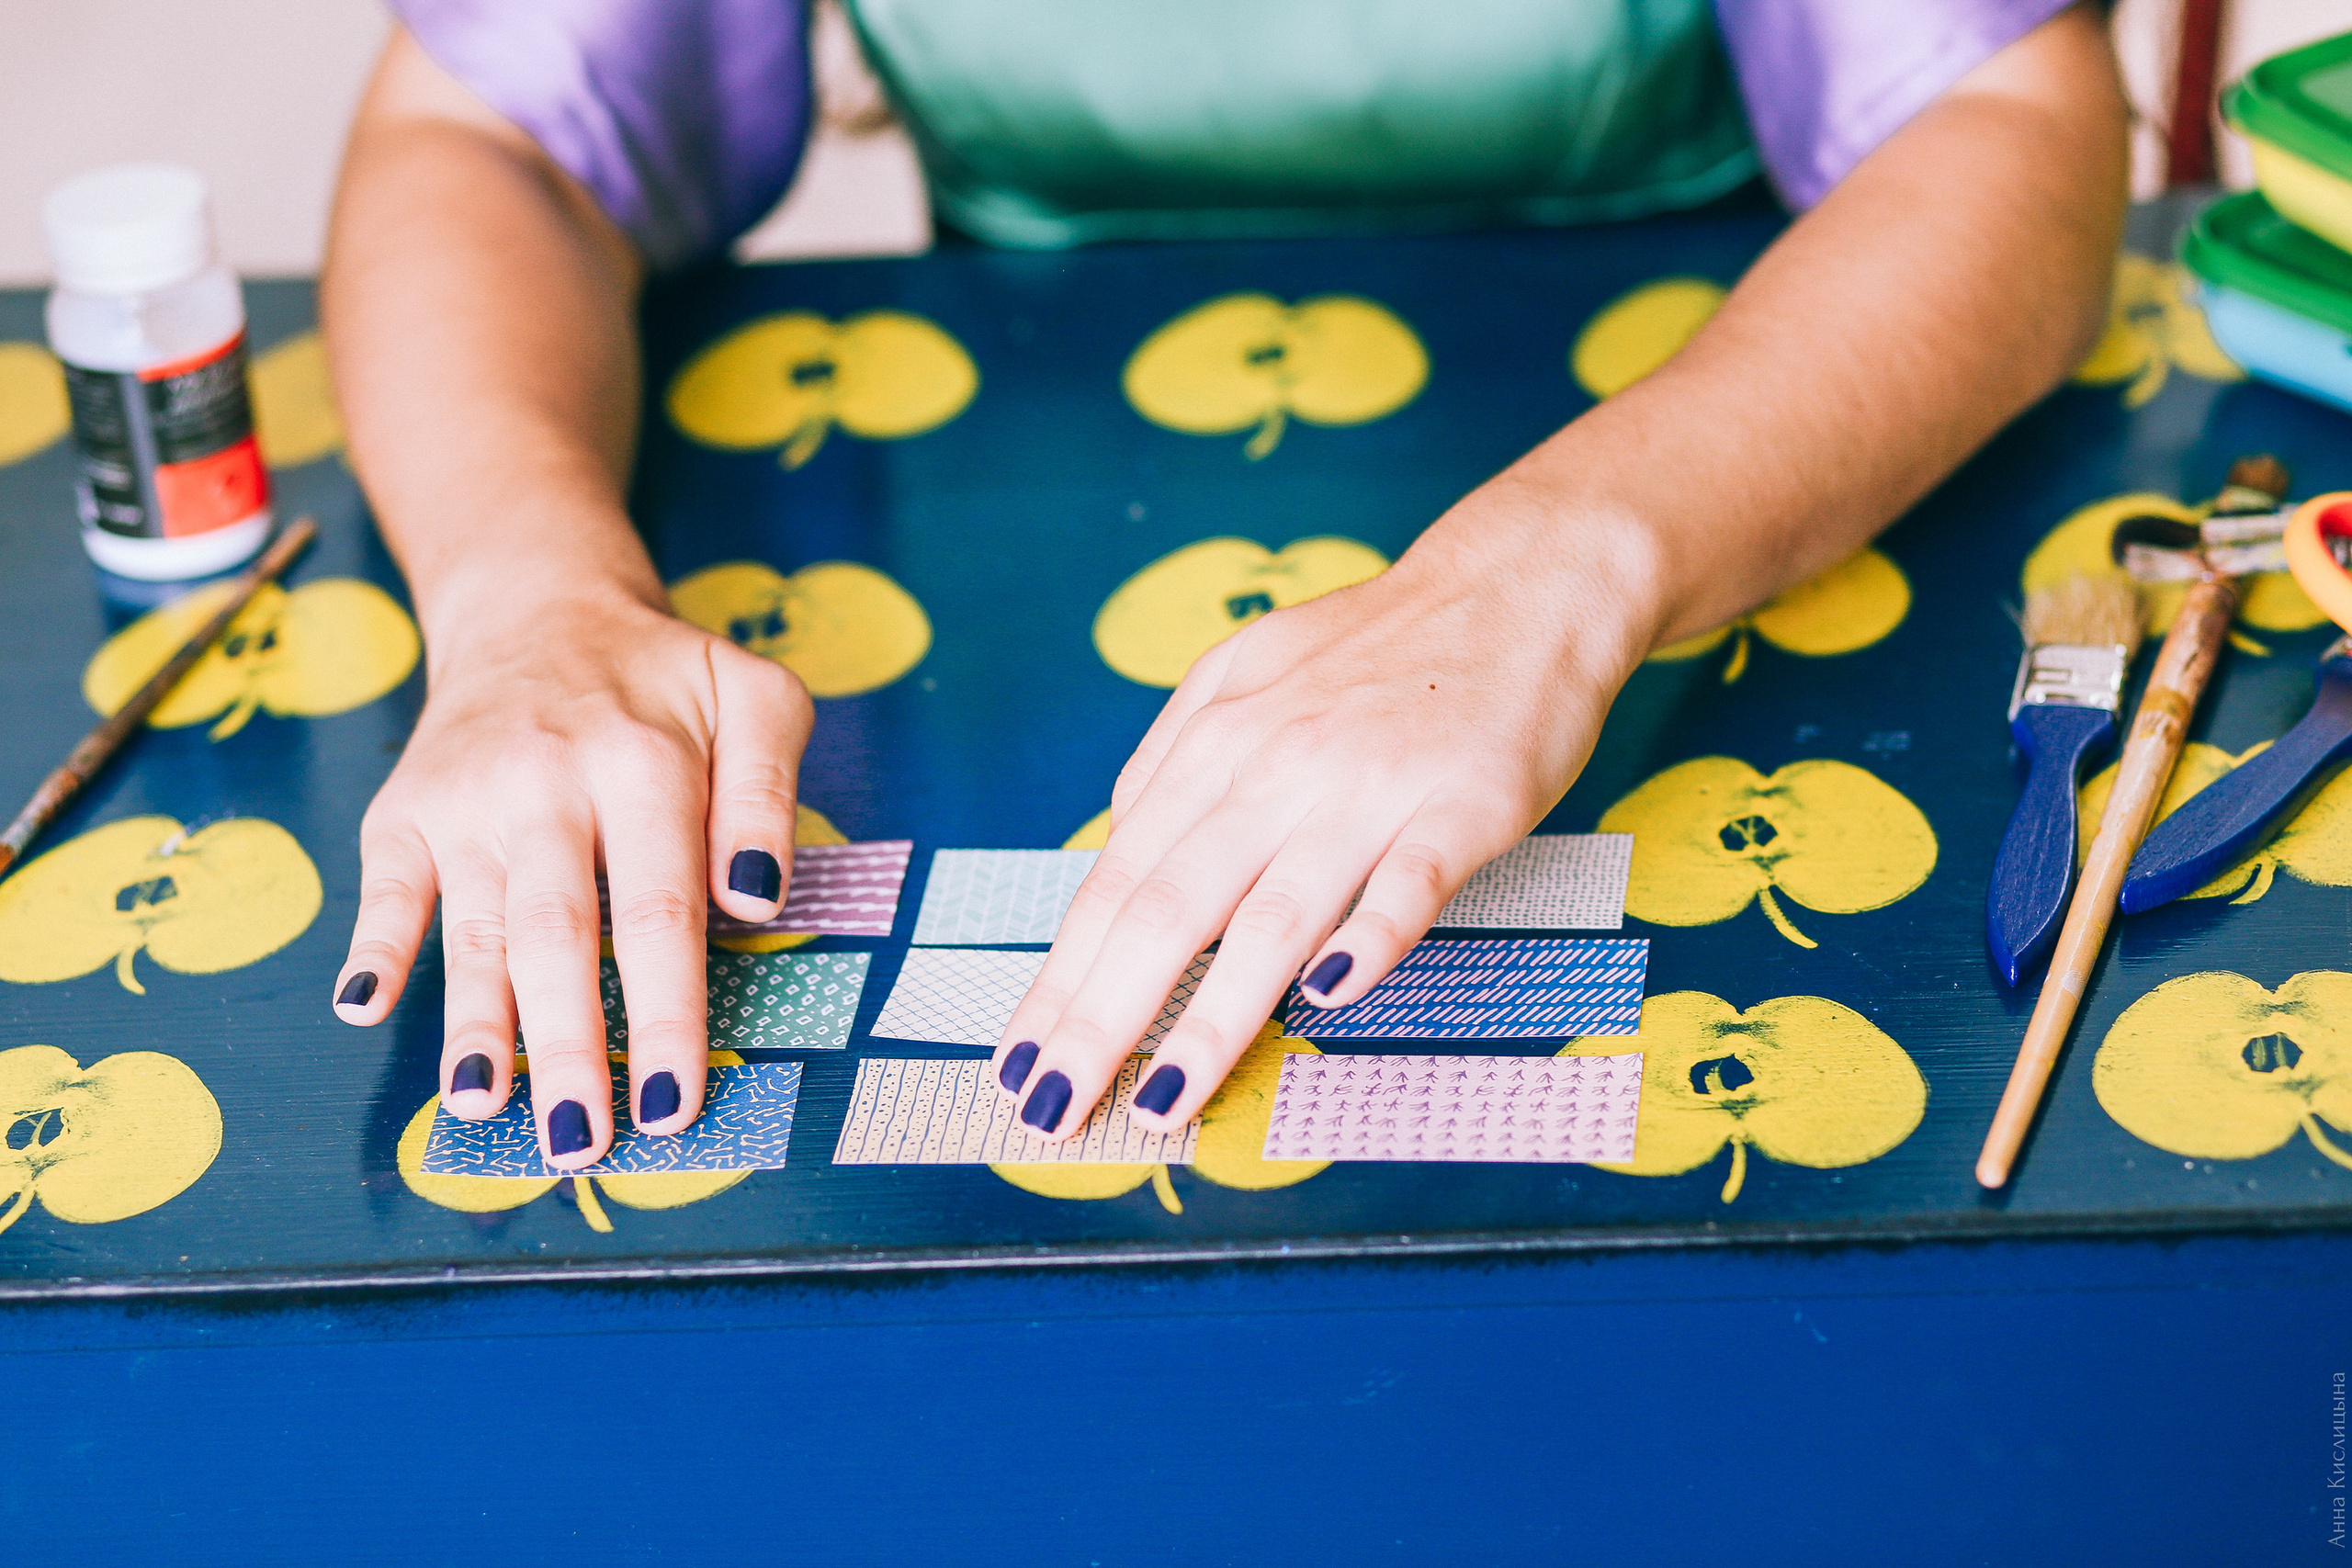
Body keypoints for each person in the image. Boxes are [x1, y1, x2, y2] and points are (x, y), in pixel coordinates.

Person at [322, 0, 2128, 1167]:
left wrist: (1562, 564)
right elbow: (486, 136)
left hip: (1747, 450)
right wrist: (527, 605)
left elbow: (2010, 125)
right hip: (995, 546)